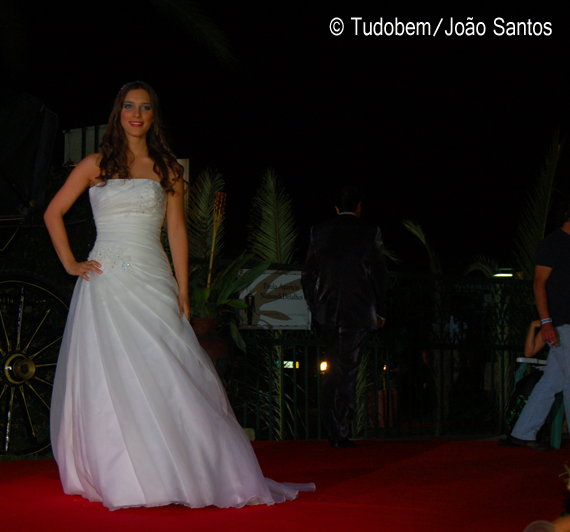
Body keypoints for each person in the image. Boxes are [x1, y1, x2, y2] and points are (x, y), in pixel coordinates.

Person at [43, 81, 314, 510]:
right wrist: (71, 263)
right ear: (118, 113)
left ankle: (182, 467)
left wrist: (183, 289)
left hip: (152, 277)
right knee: (110, 375)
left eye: (144, 107)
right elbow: (52, 212)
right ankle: (121, 470)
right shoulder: (95, 164)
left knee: (168, 369)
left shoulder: (168, 169)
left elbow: (176, 231)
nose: (136, 114)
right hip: (106, 281)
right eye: (129, 106)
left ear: (154, 116)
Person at [301, 185, 389, 448]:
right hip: (357, 310)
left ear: (337, 208)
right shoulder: (370, 232)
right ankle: (339, 430)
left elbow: (307, 275)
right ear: (359, 207)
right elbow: (381, 275)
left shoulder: (318, 232)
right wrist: (381, 310)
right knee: (347, 369)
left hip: (327, 312)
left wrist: (315, 306)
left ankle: (334, 427)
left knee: (333, 367)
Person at [504, 200, 570, 451]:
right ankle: (523, 433)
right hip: (562, 322)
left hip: (564, 323)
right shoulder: (552, 243)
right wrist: (546, 322)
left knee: (552, 382)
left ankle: (522, 432)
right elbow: (539, 283)